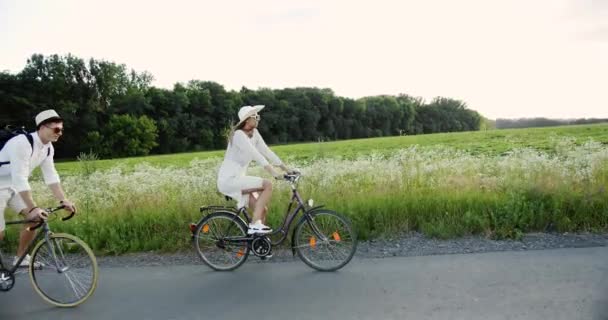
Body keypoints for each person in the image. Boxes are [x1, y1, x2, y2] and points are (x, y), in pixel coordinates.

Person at [0, 109, 76, 267]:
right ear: (42, 127)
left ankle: (21, 259)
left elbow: (51, 176)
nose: (59, 133)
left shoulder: (48, 148)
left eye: (61, 130)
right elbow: (20, 178)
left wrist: (63, 200)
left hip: (13, 188)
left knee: (34, 219)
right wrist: (33, 206)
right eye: (56, 129)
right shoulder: (22, 143)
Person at [217, 105, 296, 234]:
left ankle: (259, 243)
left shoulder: (255, 134)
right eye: (256, 116)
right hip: (229, 181)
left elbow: (266, 151)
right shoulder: (238, 135)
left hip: (239, 179)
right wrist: (274, 173)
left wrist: (286, 169)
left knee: (262, 210)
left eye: (258, 116)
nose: (258, 119)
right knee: (267, 185)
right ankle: (254, 225)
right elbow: (256, 155)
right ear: (247, 120)